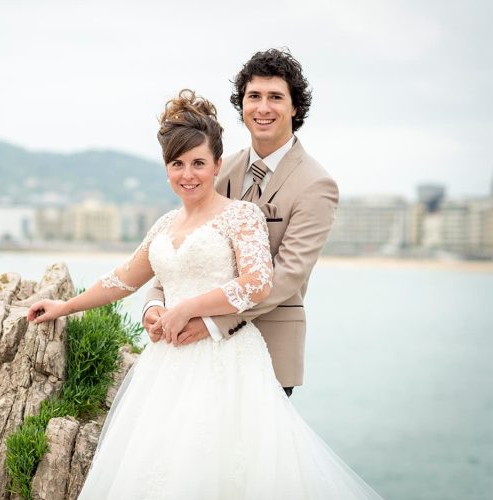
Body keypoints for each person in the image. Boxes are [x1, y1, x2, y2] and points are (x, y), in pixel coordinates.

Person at [28, 90, 382, 498]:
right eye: (177, 164)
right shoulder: (164, 225)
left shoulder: (241, 215)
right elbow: (126, 277)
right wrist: (67, 305)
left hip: (227, 361)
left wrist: (189, 309)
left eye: (198, 163)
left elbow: (256, 283)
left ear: (217, 165)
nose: (188, 174)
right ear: (166, 171)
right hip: (167, 364)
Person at [143, 49, 339, 397]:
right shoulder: (217, 168)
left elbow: (287, 273)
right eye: (254, 97)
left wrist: (213, 323)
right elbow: (181, 240)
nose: (263, 108)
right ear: (242, 105)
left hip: (267, 350)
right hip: (190, 348)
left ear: (295, 107)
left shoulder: (316, 185)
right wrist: (154, 302)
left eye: (275, 97)